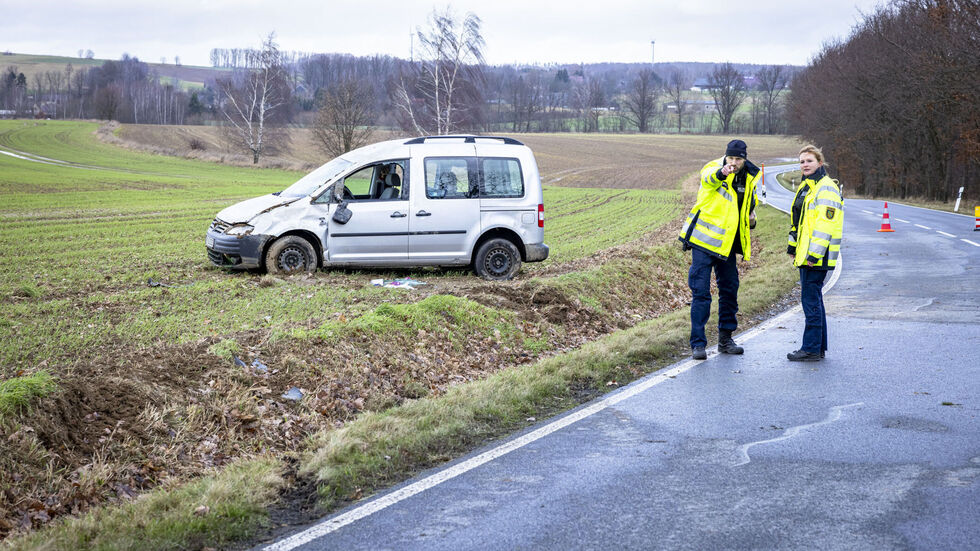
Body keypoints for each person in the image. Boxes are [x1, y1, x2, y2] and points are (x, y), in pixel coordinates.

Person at [678, 139, 760, 360]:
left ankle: (725, 340)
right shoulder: (714, 168)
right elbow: (709, 179)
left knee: (730, 291)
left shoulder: (750, 178)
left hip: (728, 245)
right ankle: (698, 344)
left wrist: (751, 220)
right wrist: (722, 172)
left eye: (738, 159)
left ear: (744, 159)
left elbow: (747, 208)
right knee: (701, 293)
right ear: (726, 156)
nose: (733, 162)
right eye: (731, 158)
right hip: (703, 243)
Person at [786, 145, 844, 361]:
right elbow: (799, 223)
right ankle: (818, 347)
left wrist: (814, 255)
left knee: (810, 300)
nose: (804, 165)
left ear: (820, 163)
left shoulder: (826, 188)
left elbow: (825, 226)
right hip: (806, 254)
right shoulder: (807, 187)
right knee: (814, 299)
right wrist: (792, 247)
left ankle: (810, 348)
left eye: (809, 161)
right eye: (801, 161)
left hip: (816, 256)